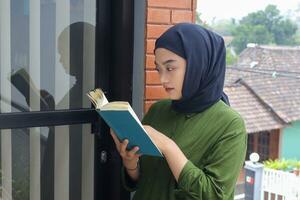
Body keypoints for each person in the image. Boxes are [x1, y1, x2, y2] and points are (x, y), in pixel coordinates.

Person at [110, 23, 247, 200]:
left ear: (199, 64)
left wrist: (168, 147)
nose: (162, 79)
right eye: (158, 69)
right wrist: (131, 164)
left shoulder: (230, 125)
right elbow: (143, 181)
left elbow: (215, 195)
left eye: (170, 68)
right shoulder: (159, 110)